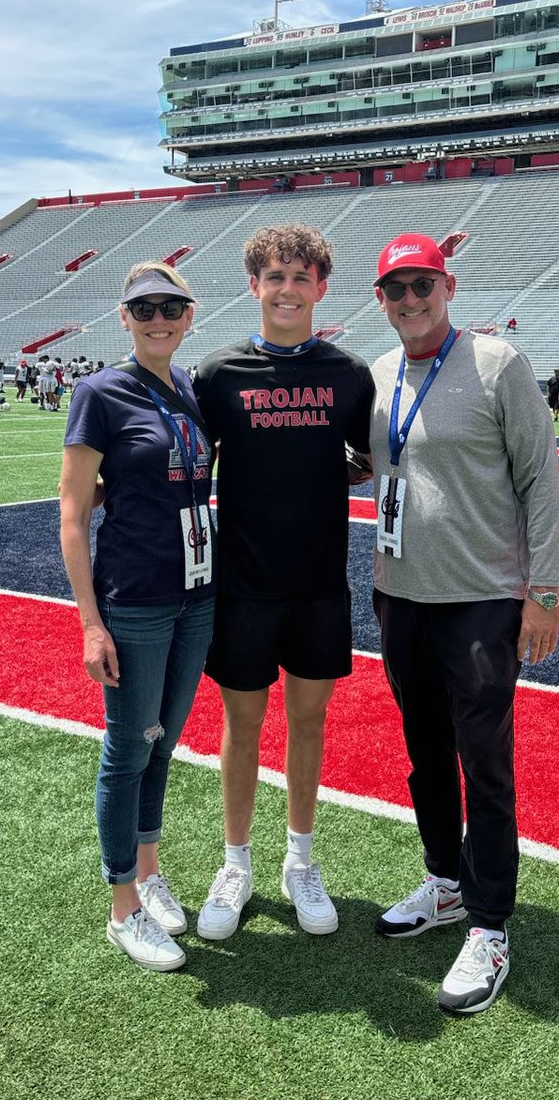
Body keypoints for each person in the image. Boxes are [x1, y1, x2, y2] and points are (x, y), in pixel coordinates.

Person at [368, 233, 559, 1017]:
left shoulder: (497, 363)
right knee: (424, 753)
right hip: (400, 594)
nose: (409, 300)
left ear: (447, 286)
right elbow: (374, 459)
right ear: (379, 299)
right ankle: (446, 883)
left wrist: (542, 591)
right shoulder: (379, 374)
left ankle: (489, 922)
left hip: (482, 599)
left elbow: (540, 474)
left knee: (483, 761)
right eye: (395, 289)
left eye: (421, 285)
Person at [191, 224, 374, 943]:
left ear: (321, 288)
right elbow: (188, 464)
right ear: (254, 286)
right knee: (241, 727)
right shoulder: (217, 374)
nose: (288, 289)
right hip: (242, 585)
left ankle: (301, 857)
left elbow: (368, 457)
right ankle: (236, 863)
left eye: (301, 278)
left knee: (307, 722)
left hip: (319, 584)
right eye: (275, 277)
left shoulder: (348, 374)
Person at [60, 261, 217, 973]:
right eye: (144, 307)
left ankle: (149, 867)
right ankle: (122, 904)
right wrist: (91, 623)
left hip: (197, 594)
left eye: (171, 306)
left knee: (163, 743)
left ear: (189, 316)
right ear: (124, 317)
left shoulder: (189, 388)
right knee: (128, 749)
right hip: (135, 599)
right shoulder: (99, 392)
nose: (159, 317)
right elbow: (70, 514)